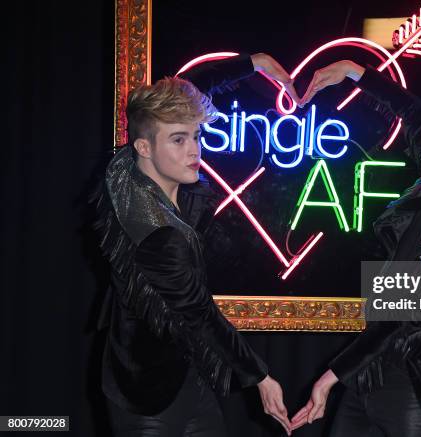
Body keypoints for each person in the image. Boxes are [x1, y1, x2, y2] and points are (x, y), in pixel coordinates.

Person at [91, 53, 300, 436]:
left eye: (197, 136)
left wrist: (256, 63)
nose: (195, 150)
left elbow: (193, 87)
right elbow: (199, 312)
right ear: (143, 147)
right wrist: (260, 377)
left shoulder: (136, 165)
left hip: (191, 376)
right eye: (179, 139)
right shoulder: (153, 231)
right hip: (145, 392)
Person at [290, 60, 421, 437]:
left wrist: (329, 378)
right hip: (367, 377)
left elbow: (394, 323)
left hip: (415, 396)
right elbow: (414, 113)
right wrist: (355, 71)